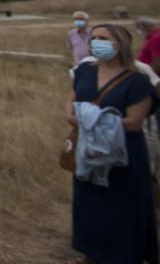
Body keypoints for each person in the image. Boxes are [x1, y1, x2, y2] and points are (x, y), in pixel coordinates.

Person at [67, 23, 158, 264]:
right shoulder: (84, 71)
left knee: (123, 206)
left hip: (123, 153)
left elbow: (134, 122)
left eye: (103, 38)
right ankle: (92, 253)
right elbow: (72, 103)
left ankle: (125, 255)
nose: (96, 42)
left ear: (119, 45)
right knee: (90, 202)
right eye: (94, 37)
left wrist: (90, 119)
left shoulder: (138, 80)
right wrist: (78, 117)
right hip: (88, 152)